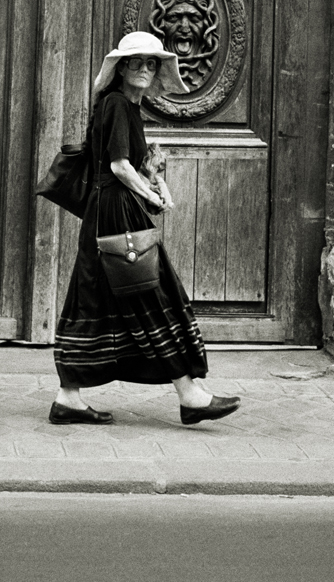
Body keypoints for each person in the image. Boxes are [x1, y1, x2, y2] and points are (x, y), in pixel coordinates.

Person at [49, 31, 242, 427]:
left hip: (106, 213)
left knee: (95, 299)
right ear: (120, 69)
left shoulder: (122, 107)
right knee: (151, 293)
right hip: (117, 212)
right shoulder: (118, 104)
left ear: (157, 72)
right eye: (135, 62)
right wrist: (152, 198)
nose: (143, 68)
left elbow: (125, 166)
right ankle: (190, 395)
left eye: (151, 63)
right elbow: (118, 168)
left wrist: (151, 174)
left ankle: (68, 397)